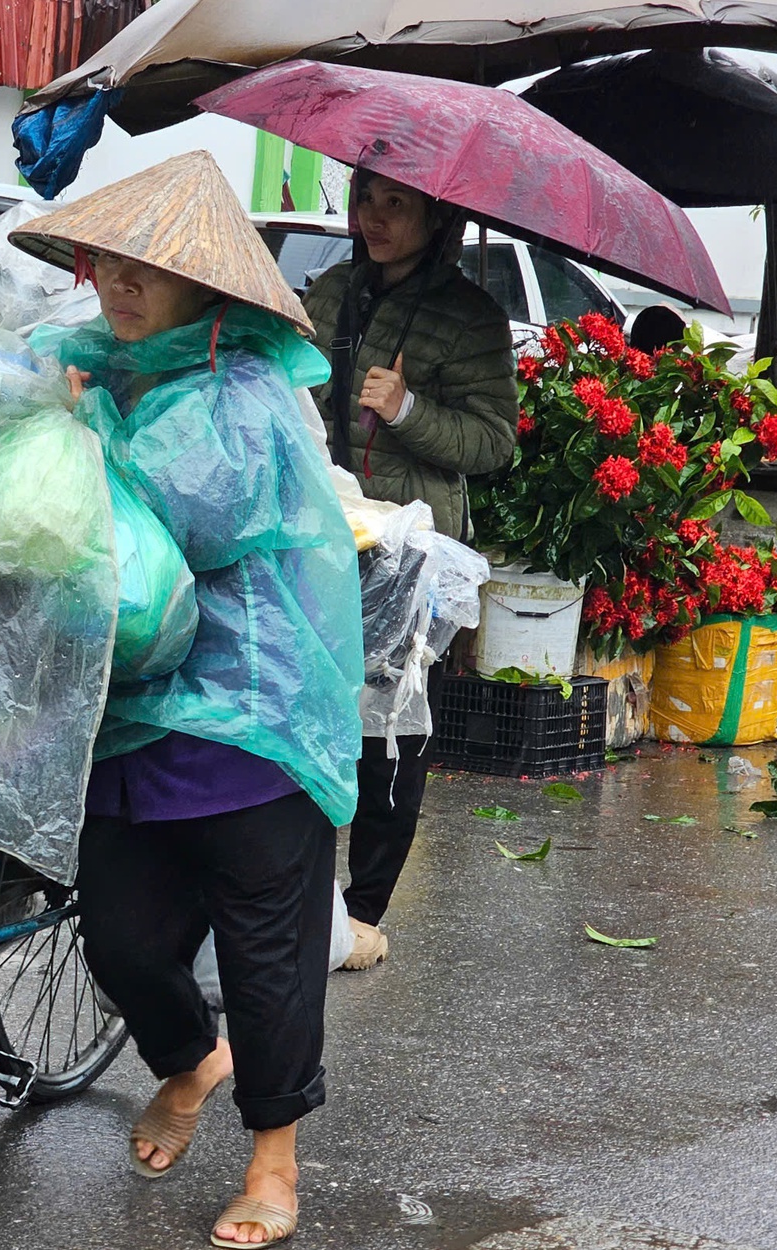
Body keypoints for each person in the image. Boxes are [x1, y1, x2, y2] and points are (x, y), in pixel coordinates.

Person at [11, 151, 363, 1249]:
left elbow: (184, 519)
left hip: (247, 715)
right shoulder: (94, 367)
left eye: (146, 271)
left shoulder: (240, 392)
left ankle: (274, 1162)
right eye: (106, 262)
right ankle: (186, 1056)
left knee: (266, 955)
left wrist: (73, 440)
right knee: (117, 938)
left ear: (205, 288)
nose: (117, 285)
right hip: (130, 713)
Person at [300, 171, 519, 971]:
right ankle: (301, 896)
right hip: (318, 529)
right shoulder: (330, 292)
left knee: (388, 732)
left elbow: (495, 443)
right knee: (308, 714)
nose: (375, 219)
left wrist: (407, 411)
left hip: (407, 552)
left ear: (436, 213)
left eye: (397, 204)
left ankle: (363, 912)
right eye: (366, 200)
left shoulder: (470, 318)